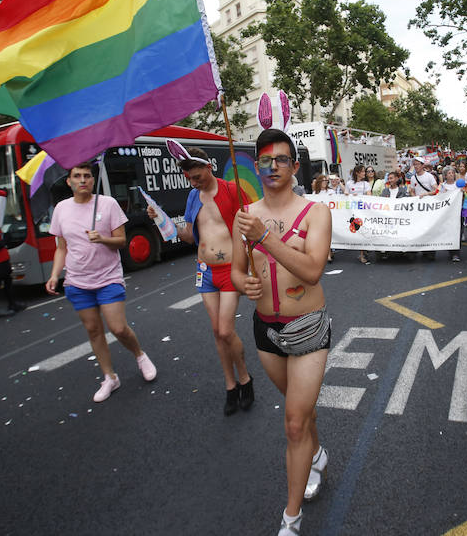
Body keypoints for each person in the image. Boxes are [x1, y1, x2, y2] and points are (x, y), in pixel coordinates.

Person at [232, 129, 332, 536]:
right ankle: (317, 452)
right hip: (266, 332)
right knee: (301, 412)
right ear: (256, 165)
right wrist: (243, 284)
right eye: (265, 160)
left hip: (308, 328)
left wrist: (263, 236)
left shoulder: (315, 213)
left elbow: (312, 271)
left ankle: (291, 519)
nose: (273, 167)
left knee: (293, 423)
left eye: (282, 160)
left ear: (295, 166)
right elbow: (236, 270)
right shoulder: (244, 215)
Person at [150, 146, 254, 415]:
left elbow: (251, 229)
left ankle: (245, 379)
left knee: (226, 330)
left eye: (197, 177)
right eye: (189, 179)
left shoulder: (232, 190)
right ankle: (230, 385)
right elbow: (188, 236)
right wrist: (161, 220)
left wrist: (250, 267)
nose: (193, 183)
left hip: (231, 269)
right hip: (205, 271)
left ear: (209, 167)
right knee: (217, 332)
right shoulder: (192, 197)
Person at [47, 162, 157, 402]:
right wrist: (55, 274)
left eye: (87, 176)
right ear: (69, 181)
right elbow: (61, 248)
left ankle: (140, 355)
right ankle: (110, 377)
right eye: (77, 176)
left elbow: (122, 241)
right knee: (93, 330)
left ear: (92, 180)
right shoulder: (61, 209)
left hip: (108, 277)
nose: (83, 180)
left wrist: (102, 239)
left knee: (118, 328)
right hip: (77, 282)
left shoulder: (108, 204)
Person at [439, 166, 467, 262]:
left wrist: (463, 193)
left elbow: (464, 197)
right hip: (447, 213)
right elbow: (439, 198)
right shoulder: (442, 186)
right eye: (449, 173)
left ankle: (456, 253)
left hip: (458, 212)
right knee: (449, 232)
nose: (451, 175)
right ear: (445, 176)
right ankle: (451, 250)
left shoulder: (458, 185)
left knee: (458, 232)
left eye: (452, 173)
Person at [346, 164, 372, 264]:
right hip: (352, 211)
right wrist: (351, 195)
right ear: (357, 173)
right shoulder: (349, 183)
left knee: (363, 230)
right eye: (363, 171)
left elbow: (369, 196)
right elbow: (345, 194)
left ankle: (363, 252)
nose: (365, 173)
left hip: (363, 211)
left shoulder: (366, 184)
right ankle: (362, 253)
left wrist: (361, 197)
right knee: (357, 230)